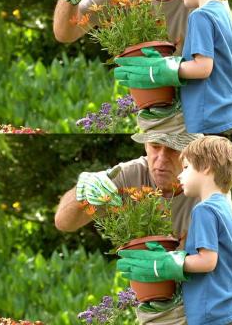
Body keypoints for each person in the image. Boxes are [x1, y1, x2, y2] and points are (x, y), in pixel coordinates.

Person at [54, 132, 201, 324]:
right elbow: (64, 223)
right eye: (155, 146)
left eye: (173, 149)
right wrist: (83, 190)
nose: (161, 158)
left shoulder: (207, 182)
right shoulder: (130, 174)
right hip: (152, 310)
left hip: (202, 306)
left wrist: (177, 264)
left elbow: (221, 260)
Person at [114, 0, 232, 134]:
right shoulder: (221, 13)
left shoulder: (200, 15)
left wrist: (162, 69)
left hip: (213, 121)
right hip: (231, 116)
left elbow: (203, 68)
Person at [117, 136, 232, 325]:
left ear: (206, 168)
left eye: (186, 168)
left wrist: (164, 264)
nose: (180, 175)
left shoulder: (204, 210)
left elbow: (207, 261)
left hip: (215, 314)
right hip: (229, 311)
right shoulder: (223, 206)